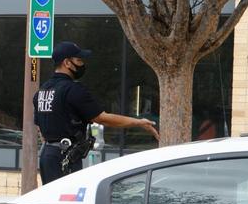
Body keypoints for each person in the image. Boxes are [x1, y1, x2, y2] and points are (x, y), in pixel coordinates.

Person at [34, 41, 159, 183]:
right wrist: (138, 122)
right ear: (67, 63)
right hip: (66, 157)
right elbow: (103, 118)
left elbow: (40, 129)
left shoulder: (42, 91)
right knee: (66, 201)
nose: (82, 65)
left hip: (47, 157)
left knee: (50, 200)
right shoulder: (73, 90)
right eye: (79, 60)